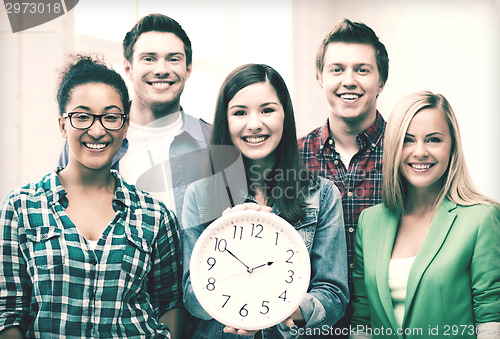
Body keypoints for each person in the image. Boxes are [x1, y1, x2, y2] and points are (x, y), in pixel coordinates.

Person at [0, 55, 184, 338]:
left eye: (111, 117)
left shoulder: (155, 216)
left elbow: (170, 304)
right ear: (63, 125)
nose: (97, 130)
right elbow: (8, 311)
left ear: (124, 127)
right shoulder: (20, 207)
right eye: (82, 116)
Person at [181, 63, 349, 338]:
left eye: (267, 110)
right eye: (240, 113)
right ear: (225, 120)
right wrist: (221, 235)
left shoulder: (322, 194)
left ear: (285, 115)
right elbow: (191, 297)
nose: (255, 123)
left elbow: (334, 295)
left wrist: (275, 309)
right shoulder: (200, 196)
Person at [350, 91, 500, 339]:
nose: (420, 152)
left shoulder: (482, 218)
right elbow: (362, 318)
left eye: (433, 140)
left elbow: (491, 317)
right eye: (407, 140)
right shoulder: (370, 221)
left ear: (452, 146)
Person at [59, 13, 211, 220]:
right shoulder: (89, 141)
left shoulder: (212, 140)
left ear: (188, 70)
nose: (161, 70)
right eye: (149, 59)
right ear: (128, 68)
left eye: (173, 59)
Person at [298, 18, 389, 335]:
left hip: (387, 324)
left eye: (362, 70)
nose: (349, 80)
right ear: (320, 79)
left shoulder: (407, 157)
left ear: (381, 81)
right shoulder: (293, 159)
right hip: (313, 328)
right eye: (337, 69)